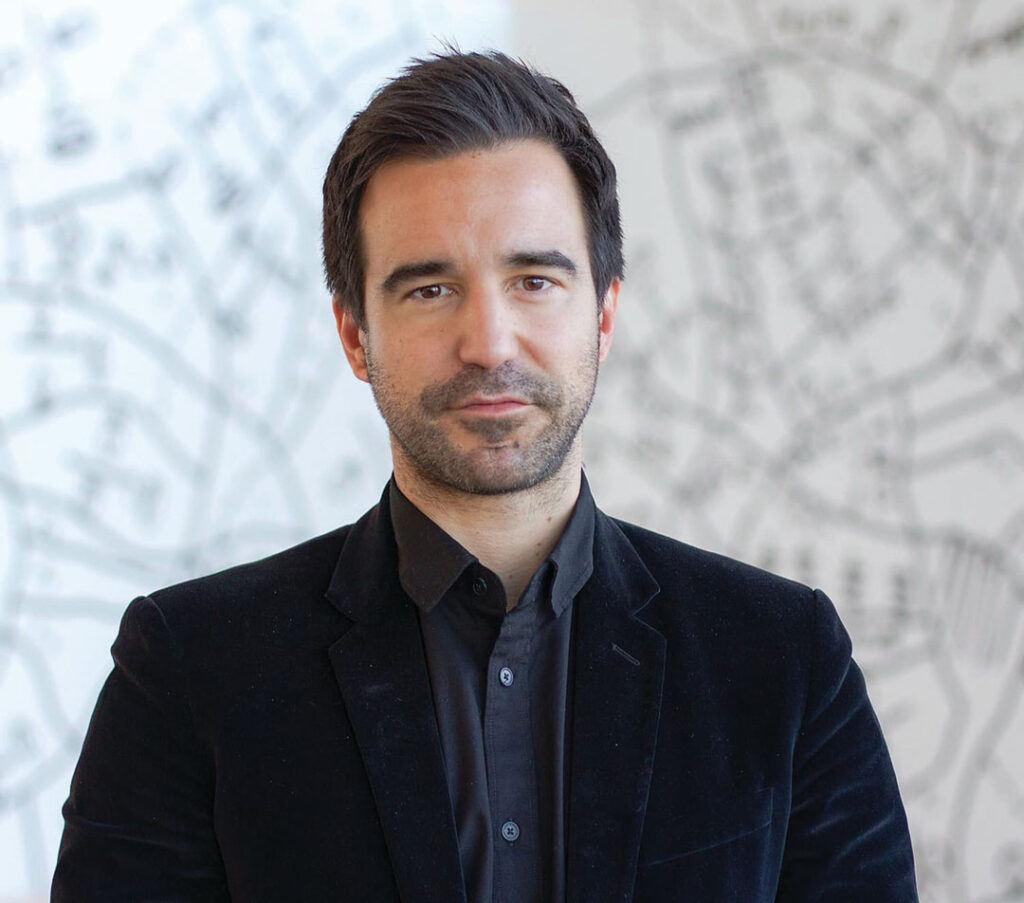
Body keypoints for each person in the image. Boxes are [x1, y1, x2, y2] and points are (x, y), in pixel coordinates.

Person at [52, 50, 918, 902]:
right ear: (355, 336)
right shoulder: (189, 669)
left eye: (534, 279)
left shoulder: (784, 660)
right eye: (430, 290)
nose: (490, 342)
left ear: (604, 315)